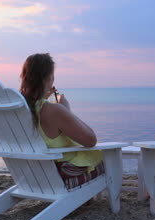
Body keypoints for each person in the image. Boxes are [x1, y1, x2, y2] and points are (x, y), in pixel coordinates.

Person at [20, 53, 103, 189]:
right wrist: (67, 111)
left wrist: (44, 100)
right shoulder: (54, 111)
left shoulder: (21, 108)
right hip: (60, 171)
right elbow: (90, 140)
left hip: (32, 172)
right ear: (49, 77)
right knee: (108, 157)